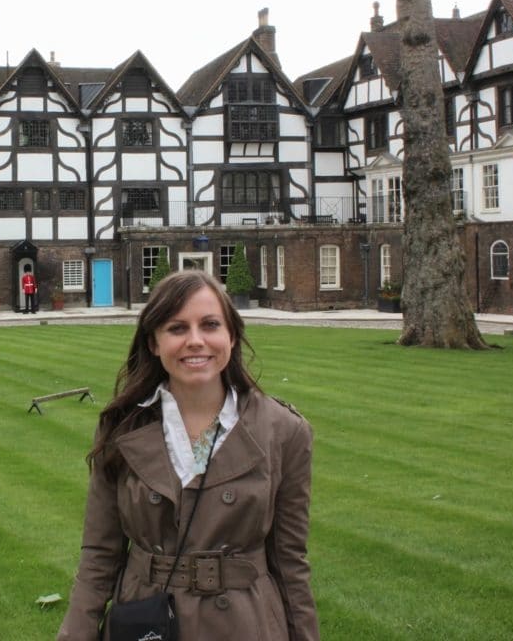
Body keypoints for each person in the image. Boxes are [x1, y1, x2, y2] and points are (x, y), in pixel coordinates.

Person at [57, 269, 318, 640]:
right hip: (147, 622)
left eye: (210, 325)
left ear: (231, 334)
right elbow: (100, 554)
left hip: (246, 624)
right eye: (177, 328)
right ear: (153, 342)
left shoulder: (284, 432)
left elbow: (290, 562)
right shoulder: (121, 428)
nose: (196, 341)